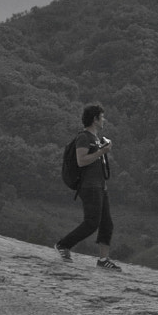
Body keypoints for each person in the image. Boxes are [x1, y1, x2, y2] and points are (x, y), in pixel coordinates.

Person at [56, 104, 120, 269]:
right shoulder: (84, 137)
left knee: (107, 223)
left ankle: (103, 260)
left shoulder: (96, 139)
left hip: (99, 186)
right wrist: (102, 152)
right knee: (91, 222)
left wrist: (102, 149)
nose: (104, 119)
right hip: (89, 187)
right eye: (102, 117)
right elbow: (81, 160)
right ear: (95, 119)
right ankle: (63, 245)